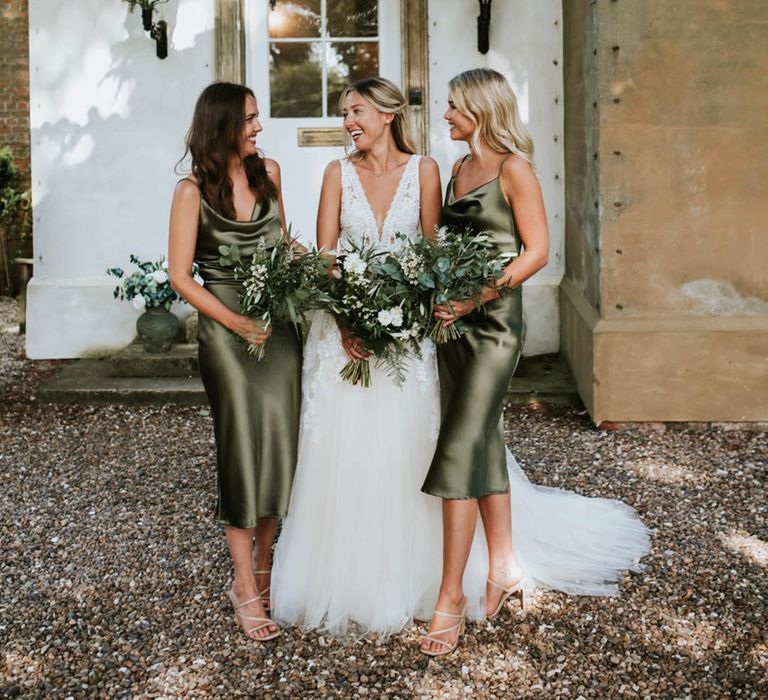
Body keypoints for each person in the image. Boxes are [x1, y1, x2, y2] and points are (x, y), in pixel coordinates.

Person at [420, 68, 650, 656]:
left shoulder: (513, 168)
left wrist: (475, 296)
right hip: (452, 326)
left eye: (452, 107)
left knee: (458, 448)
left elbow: (538, 252)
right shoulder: (455, 170)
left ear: (479, 107)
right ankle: (504, 566)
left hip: (493, 326)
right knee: (483, 441)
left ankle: (450, 598)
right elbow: (444, 243)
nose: (444, 115)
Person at [271, 77, 446, 636]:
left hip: (406, 336)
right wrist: (349, 320)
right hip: (339, 332)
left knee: (404, 441)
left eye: (358, 111)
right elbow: (325, 259)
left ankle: (411, 575)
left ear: (389, 115)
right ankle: (339, 574)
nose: (349, 121)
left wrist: (398, 319)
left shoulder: (425, 172)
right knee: (341, 449)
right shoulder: (335, 175)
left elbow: (431, 257)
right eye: (345, 112)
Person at [168, 82, 302, 642]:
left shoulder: (269, 172)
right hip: (227, 335)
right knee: (241, 451)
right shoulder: (190, 191)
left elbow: (285, 245)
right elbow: (180, 278)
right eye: (249, 119)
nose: (258, 128)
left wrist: (326, 275)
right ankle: (244, 583)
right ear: (222, 124)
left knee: (280, 446)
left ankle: (267, 564)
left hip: (279, 330)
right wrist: (236, 321)